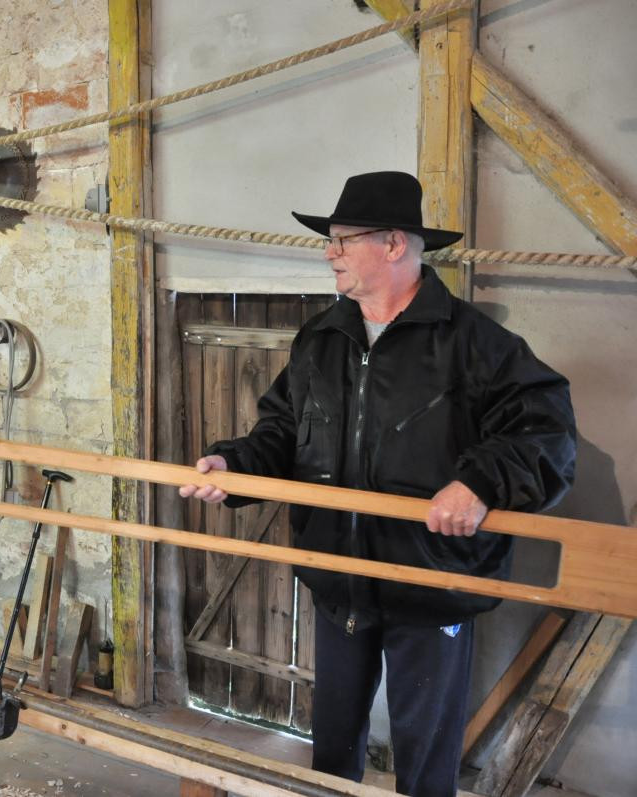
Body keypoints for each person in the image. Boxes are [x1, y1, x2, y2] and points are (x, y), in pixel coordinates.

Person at [179, 171, 576, 796]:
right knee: (332, 745)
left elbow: (546, 438)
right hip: (338, 576)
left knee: (424, 756)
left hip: (430, 581)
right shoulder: (321, 340)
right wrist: (236, 467)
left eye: (343, 239)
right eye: (331, 240)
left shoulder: (476, 345)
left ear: (394, 245)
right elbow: (283, 432)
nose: (329, 252)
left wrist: (477, 483)